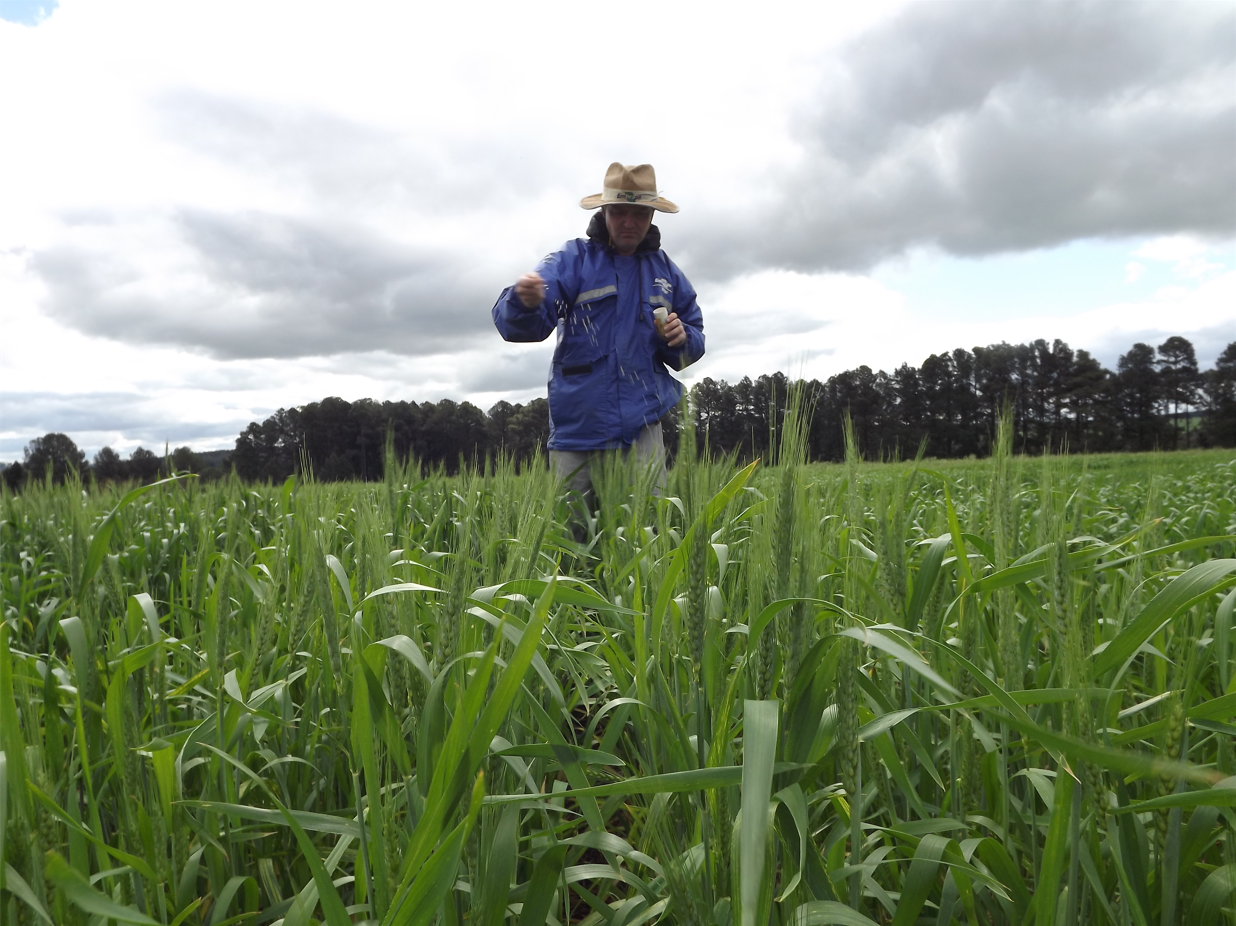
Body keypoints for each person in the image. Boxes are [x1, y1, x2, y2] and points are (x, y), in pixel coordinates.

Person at [492, 162, 705, 521]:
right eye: (618, 212)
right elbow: (521, 322)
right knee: (572, 542)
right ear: (604, 211)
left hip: (642, 431)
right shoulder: (572, 260)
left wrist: (682, 338)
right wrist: (524, 302)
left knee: (647, 535)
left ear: (652, 215)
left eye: (638, 213)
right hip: (579, 431)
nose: (628, 222)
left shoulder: (666, 272)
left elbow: (692, 341)